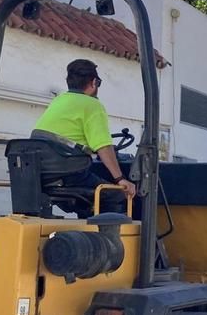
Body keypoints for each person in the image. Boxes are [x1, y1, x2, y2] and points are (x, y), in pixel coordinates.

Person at [33, 59, 136, 214]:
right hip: (68, 175)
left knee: (89, 201)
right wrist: (120, 178)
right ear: (94, 82)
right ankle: (109, 237)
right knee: (117, 195)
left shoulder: (59, 101)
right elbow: (103, 147)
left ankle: (87, 231)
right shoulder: (92, 105)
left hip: (41, 175)